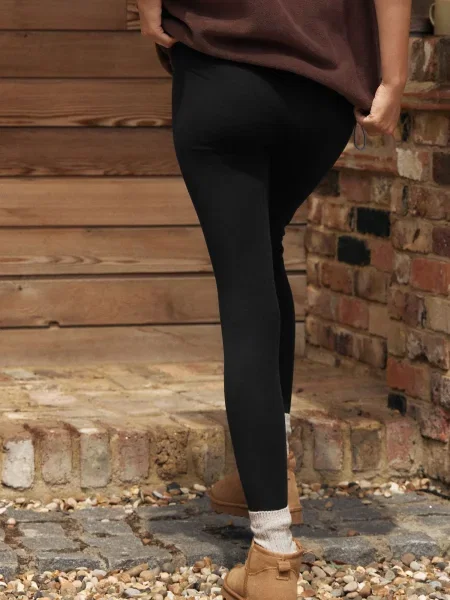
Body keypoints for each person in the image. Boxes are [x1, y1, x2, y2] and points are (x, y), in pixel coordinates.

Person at [137, 1, 411, 598]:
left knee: (244, 285)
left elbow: (154, 18)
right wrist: (393, 79)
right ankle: (266, 475)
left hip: (221, 72)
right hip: (319, 96)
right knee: (262, 252)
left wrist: (149, 9)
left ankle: (273, 554)